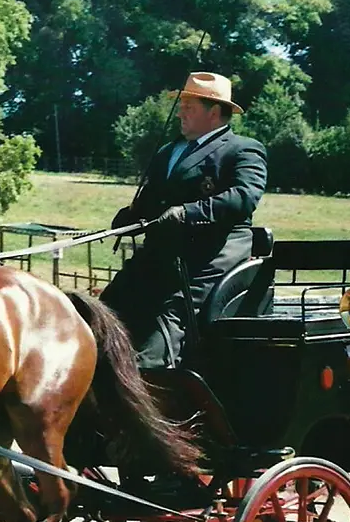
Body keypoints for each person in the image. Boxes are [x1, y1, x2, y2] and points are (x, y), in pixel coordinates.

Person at [102, 72, 268, 368]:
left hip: (210, 259)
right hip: (159, 256)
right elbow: (155, 198)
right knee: (107, 307)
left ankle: (152, 374)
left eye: (189, 106)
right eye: (181, 105)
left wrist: (187, 213)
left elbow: (243, 197)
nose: (180, 112)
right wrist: (132, 215)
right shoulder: (169, 151)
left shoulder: (243, 150)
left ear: (214, 112)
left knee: (167, 320)